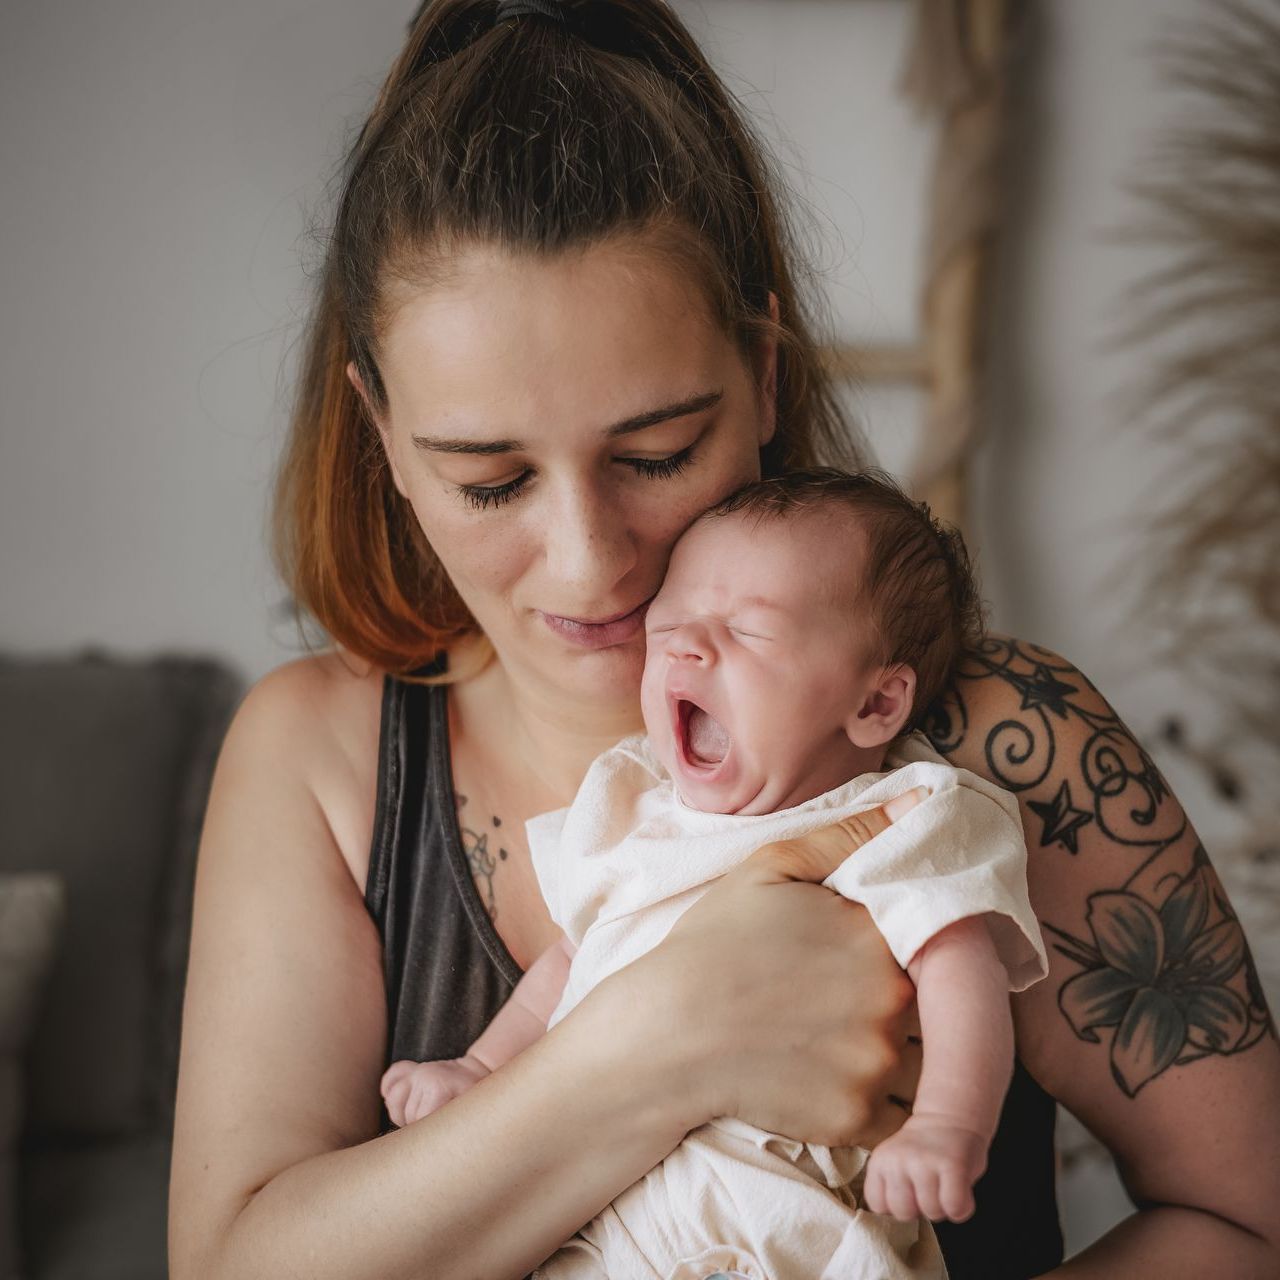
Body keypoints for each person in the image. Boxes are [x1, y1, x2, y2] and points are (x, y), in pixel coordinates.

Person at [167, 2, 1280, 1279]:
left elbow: (1244, 1216)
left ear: (762, 373)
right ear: (377, 427)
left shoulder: (1005, 745)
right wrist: (668, 1033)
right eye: (488, 480)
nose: (591, 562)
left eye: (656, 453)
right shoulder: (319, 757)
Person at [380, 468, 1050, 1280]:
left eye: (750, 630)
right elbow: (570, 961)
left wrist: (948, 1124)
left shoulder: (897, 819)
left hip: (787, 1233)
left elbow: (960, 971)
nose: (690, 645)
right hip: (604, 1237)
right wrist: (479, 1071)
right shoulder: (636, 808)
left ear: (877, 705)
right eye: (671, 627)